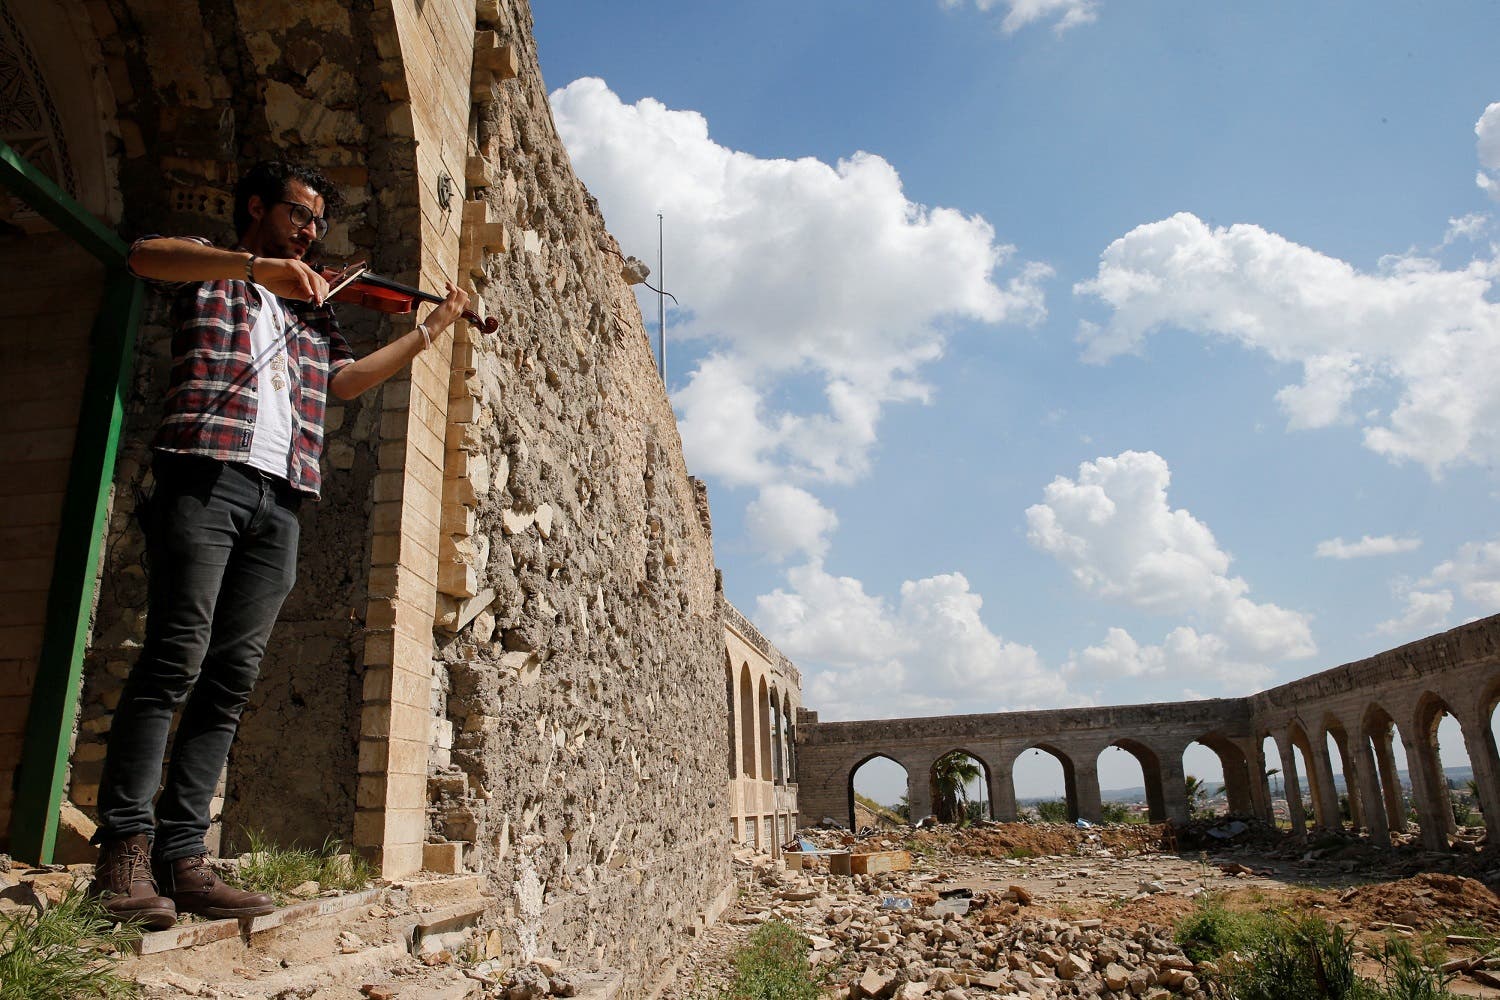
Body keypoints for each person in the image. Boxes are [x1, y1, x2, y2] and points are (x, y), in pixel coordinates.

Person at [89, 160, 469, 929]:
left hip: (281, 497)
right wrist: (259, 267)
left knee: (231, 676)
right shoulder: (216, 271)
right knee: (174, 658)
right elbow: (144, 256)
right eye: (299, 215)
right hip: (206, 475)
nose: (310, 232)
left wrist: (430, 331)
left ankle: (183, 856)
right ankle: (122, 854)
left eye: (317, 223)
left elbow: (347, 381)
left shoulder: (308, 313)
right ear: (257, 208)